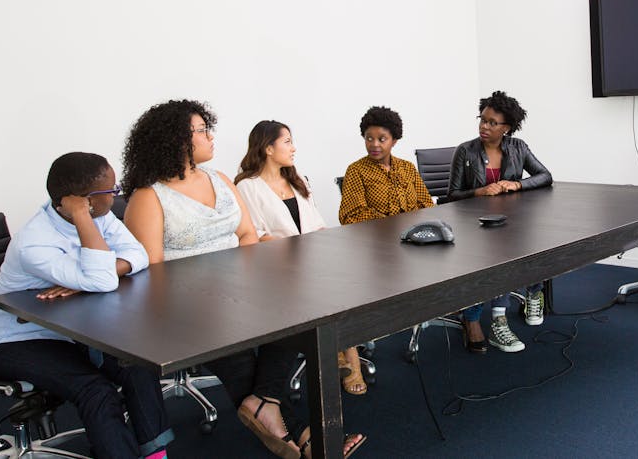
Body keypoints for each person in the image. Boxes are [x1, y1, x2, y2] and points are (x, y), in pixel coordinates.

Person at [121, 100, 364, 459]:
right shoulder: (148, 196)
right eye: (202, 130)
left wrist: (244, 282)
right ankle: (302, 434)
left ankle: (265, 404)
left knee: (300, 310)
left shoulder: (219, 180)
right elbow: (152, 271)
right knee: (237, 352)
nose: (210, 136)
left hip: (239, 290)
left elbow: (248, 235)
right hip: (187, 305)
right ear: (175, 140)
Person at [0, 152, 173, 459]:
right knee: (96, 390)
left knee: (137, 364)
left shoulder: (102, 216)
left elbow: (139, 255)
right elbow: (102, 280)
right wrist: (86, 234)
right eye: (111, 190)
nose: (117, 194)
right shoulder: (34, 242)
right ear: (83, 201)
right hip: (12, 340)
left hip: (70, 331)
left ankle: (155, 453)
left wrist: (88, 278)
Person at [233, 120, 365, 396]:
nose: (294, 148)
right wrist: (301, 249)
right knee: (325, 287)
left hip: (309, 260)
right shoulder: (247, 186)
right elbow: (254, 235)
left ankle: (342, 352)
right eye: (287, 142)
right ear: (268, 148)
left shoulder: (297, 180)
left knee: (342, 279)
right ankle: (345, 357)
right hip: (274, 268)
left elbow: (316, 224)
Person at [447, 91, 553, 354]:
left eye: (493, 122)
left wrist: (516, 183)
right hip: (476, 226)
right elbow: (451, 195)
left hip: (511, 221)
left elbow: (545, 175)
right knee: (499, 258)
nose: (485, 126)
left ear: (506, 128)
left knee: (539, 240)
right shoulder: (466, 151)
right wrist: (479, 192)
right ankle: (498, 320)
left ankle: (534, 292)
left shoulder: (518, 147)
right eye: (483, 120)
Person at [338, 105, 434, 226]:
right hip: (376, 239)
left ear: (394, 141)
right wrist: (393, 224)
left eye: (382, 139)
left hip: (412, 234)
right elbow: (351, 215)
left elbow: (427, 204)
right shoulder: (356, 170)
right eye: (369, 138)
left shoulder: (408, 167)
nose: (374, 144)